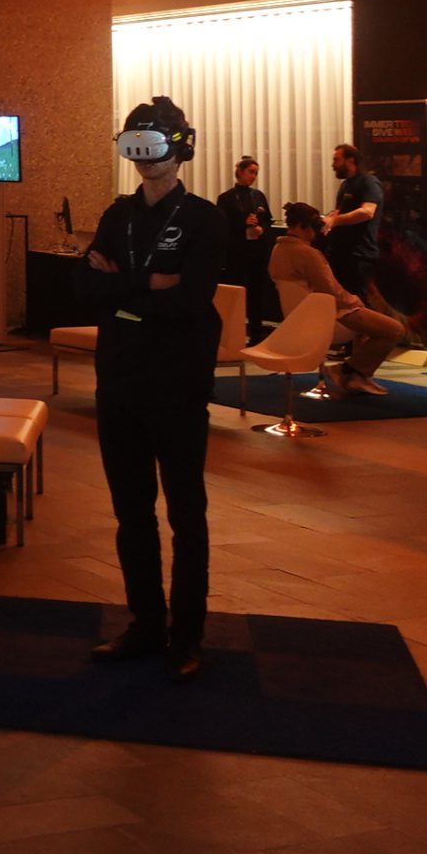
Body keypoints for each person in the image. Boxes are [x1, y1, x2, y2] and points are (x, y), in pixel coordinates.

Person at [84, 96, 228, 683]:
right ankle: (145, 623)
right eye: (136, 145)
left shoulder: (204, 219)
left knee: (186, 513)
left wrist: (123, 286)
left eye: (155, 144)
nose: (145, 157)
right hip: (119, 381)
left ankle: (186, 635)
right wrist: (150, 284)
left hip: (177, 384)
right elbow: (85, 288)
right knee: (131, 513)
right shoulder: (117, 216)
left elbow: (192, 299)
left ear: (180, 148)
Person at [268, 203, 412, 394]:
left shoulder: (277, 251)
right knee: (394, 329)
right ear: (304, 226)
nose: (316, 234)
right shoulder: (307, 254)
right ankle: (349, 371)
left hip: (299, 318)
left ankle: (356, 375)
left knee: (368, 328)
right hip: (327, 318)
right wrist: (355, 301)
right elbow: (331, 290)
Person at [215, 155, 275, 329]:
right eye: (251, 172)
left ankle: (256, 329)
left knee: (257, 291)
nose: (254, 176)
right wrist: (243, 224)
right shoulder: (226, 198)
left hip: (257, 251)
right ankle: (234, 328)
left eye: (256, 173)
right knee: (236, 290)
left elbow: (268, 220)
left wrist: (262, 228)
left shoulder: (258, 195)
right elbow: (222, 225)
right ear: (240, 172)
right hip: (237, 252)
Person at [324, 143, 387, 308]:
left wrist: (335, 220)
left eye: (336, 160)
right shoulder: (345, 185)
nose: (333, 165)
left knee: (359, 302)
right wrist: (330, 218)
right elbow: (340, 213)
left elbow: (367, 212)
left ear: (350, 160)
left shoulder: (368, 182)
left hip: (359, 255)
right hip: (341, 253)